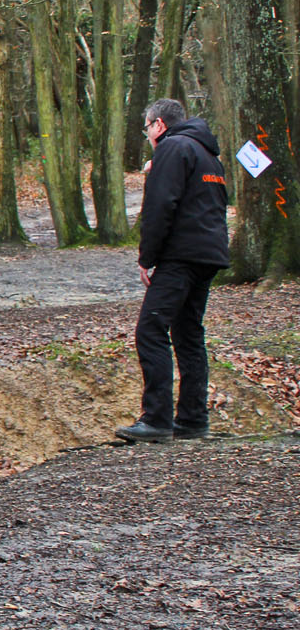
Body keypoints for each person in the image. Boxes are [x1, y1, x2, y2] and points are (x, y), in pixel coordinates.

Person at [116, 98, 230, 443]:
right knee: (188, 333)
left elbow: (160, 206)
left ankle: (157, 419)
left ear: (159, 125)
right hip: (209, 255)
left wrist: (147, 257)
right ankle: (193, 418)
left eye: (147, 127)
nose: (148, 134)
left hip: (180, 255)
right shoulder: (208, 155)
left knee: (151, 329)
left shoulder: (172, 148)